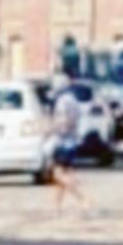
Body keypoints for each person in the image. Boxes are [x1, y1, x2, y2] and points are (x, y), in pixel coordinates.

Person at [47, 85, 89, 214]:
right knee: (64, 176)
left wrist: (52, 129)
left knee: (57, 175)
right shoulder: (74, 102)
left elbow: (63, 121)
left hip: (62, 142)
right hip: (72, 142)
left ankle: (82, 198)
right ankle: (57, 206)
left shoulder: (62, 102)